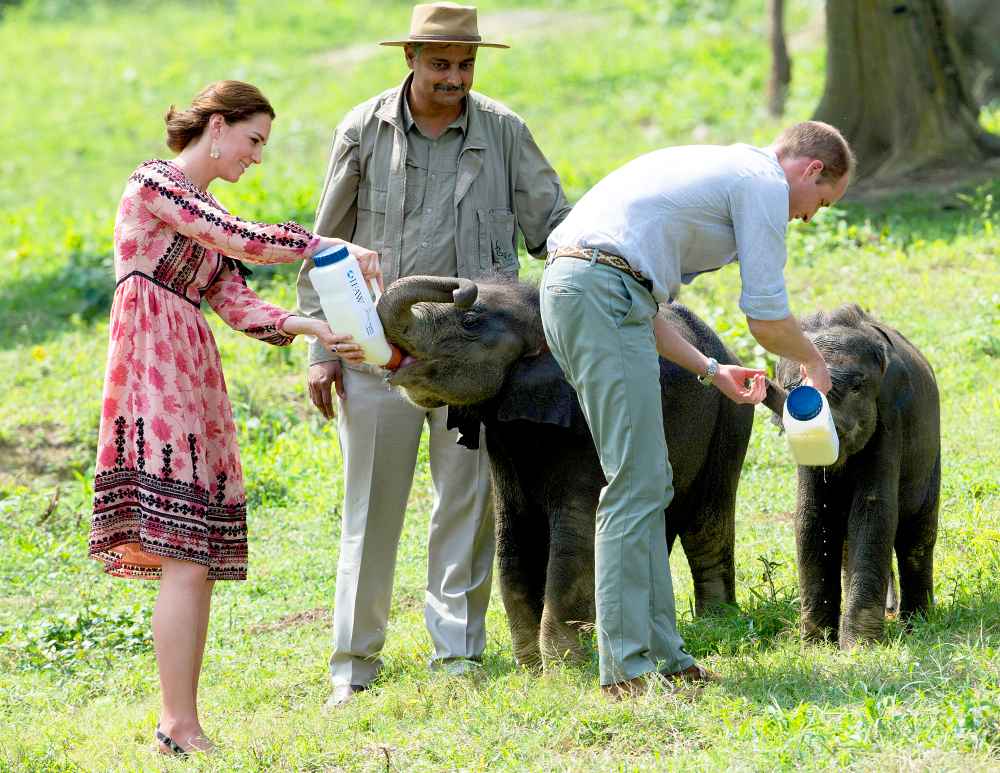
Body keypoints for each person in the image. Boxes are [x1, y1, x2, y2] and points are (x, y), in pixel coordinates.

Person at [88, 80, 381, 755]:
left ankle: (179, 724)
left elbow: (237, 299)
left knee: (192, 556)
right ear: (216, 127)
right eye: (253, 140)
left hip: (187, 363)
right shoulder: (155, 184)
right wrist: (321, 244)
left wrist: (310, 324)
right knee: (183, 552)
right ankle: (177, 725)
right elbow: (239, 239)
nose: (256, 156)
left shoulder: (202, 210)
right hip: (152, 363)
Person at [296, 2, 571, 707]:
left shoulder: (504, 130)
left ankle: (458, 655)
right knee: (371, 508)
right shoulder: (362, 128)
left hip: (474, 360)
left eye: (466, 64)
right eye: (442, 63)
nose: (455, 76)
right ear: (412, 58)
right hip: (374, 351)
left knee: (467, 504)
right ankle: (353, 667)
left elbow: (553, 227)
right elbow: (323, 244)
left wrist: (607, 253)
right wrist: (319, 352)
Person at [539, 121, 854, 698]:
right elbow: (764, 315)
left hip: (596, 291)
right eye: (821, 203)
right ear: (811, 170)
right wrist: (813, 361)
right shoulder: (761, 181)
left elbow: (640, 297)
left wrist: (711, 369)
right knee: (635, 484)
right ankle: (626, 669)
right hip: (594, 293)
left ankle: (663, 654)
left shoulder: (723, 172)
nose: (808, 217)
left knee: (650, 480)